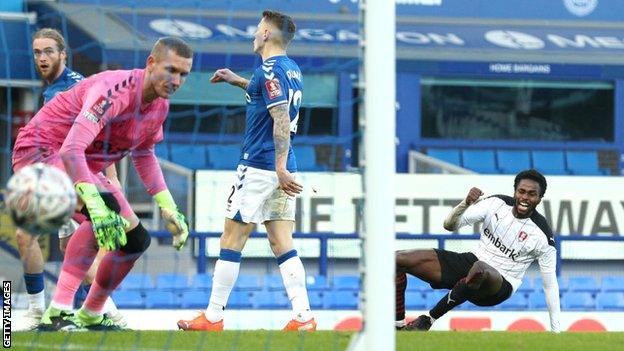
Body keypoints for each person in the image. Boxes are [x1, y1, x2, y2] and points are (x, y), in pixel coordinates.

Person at [12, 36, 193, 331]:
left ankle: (91, 313)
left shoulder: (159, 107)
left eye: (183, 74)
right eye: (171, 70)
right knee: (103, 213)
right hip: (39, 151)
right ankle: (55, 310)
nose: (176, 80)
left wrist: (169, 207)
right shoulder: (114, 90)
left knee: (136, 241)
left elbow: (145, 153)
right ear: (151, 63)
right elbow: (71, 149)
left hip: (79, 164)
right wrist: (95, 204)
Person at [177, 10, 315, 332]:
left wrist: (277, 166)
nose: (254, 34)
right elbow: (265, 95)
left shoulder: (268, 69)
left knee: (231, 238)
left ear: (266, 34)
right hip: (285, 166)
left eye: (257, 29)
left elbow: (280, 118)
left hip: (258, 166)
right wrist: (235, 80)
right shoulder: (291, 69)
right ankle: (304, 316)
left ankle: (212, 316)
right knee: (283, 242)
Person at [18, 28, 124, 330]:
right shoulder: (49, 90)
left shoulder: (73, 88)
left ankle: (44, 312)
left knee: (29, 236)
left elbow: (102, 129)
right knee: (65, 249)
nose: (42, 57)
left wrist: (110, 176)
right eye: (37, 52)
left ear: (64, 54)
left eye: (49, 51)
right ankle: (106, 313)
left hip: (77, 179)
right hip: (57, 174)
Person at [395, 169, 561, 332]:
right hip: (472, 262)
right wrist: (465, 203)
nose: (525, 197)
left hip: (500, 284)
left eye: (532, 194)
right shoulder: (496, 203)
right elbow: (450, 225)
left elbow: (550, 285)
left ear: (540, 198)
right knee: (397, 259)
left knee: (481, 268)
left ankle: (429, 319)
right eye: (521, 191)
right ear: (515, 191)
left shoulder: (543, 237)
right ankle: (398, 326)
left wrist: (556, 331)